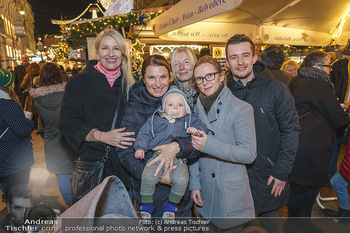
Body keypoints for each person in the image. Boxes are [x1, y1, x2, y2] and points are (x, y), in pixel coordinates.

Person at [225, 34, 300, 233]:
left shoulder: (277, 89)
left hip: (269, 177)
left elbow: (291, 131)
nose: (240, 62)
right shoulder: (222, 93)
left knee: (271, 227)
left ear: (254, 58)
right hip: (235, 178)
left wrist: (281, 172)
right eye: (234, 57)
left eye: (245, 55)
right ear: (227, 61)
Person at [58, 28, 135, 204]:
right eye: (105, 48)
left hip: (125, 169)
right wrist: (102, 136)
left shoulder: (130, 84)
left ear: (123, 53)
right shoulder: (78, 82)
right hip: (95, 166)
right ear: (97, 51)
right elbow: (67, 122)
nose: (111, 54)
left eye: (116, 48)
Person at [118, 55, 196, 217]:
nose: (158, 84)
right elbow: (125, 152)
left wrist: (178, 146)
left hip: (179, 190)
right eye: (151, 77)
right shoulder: (134, 106)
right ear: (144, 79)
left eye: (163, 77)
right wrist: (156, 176)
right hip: (148, 193)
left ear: (170, 77)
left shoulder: (179, 101)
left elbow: (197, 142)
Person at [189, 56, 256, 232]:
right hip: (206, 190)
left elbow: (249, 154)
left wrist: (209, 144)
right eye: (199, 79)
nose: (205, 82)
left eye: (210, 75)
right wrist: (195, 184)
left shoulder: (241, 108)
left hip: (230, 192)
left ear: (221, 75)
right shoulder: (196, 108)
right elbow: (193, 151)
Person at [288, 50, 349, 217]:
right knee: (309, 188)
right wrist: (345, 114)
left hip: (297, 142)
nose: (331, 70)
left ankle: (295, 224)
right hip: (314, 146)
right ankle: (300, 225)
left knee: (297, 188)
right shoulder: (321, 84)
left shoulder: (297, 80)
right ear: (317, 66)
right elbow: (338, 119)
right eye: (328, 66)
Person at [134, 86, 208, 219]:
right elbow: (144, 133)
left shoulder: (189, 119)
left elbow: (203, 127)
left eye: (180, 105)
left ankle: (171, 205)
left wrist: (196, 130)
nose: (175, 108)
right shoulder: (156, 119)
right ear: (163, 108)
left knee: (182, 180)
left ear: (185, 108)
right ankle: (146, 204)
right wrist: (140, 148)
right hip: (157, 156)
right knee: (148, 176)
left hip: (180, 160)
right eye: (171, 104)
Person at [29, 63, 75, 206]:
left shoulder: (36, 99)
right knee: (80, 173)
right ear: (59, 75)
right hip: (72, 138)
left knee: (62, 176)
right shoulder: (69, 93)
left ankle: (71, 204)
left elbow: (41, 125)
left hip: (53, 142)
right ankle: (83, 205)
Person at [0, 68, 34, 203]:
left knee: (9, 189)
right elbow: (22, 130)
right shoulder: (7, 104)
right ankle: (18, 221)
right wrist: (29, 122)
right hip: (14, 157)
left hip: (4, 155)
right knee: (18, 193)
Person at [328, 40, 350, 179]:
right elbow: (331, 87)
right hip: (341, 110)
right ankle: (331, 176)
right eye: (347, 53)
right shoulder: (338, 66)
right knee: (336, 144)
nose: (348, 57)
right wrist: (339, 103)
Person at [20, 63, 41, 129]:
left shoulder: (28, 75)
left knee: (28, 112)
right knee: (38, 112)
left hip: (30, 96)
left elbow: (22, 85)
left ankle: (26, 126)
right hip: (38, 95)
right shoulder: (40, 75)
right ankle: (39, 126)